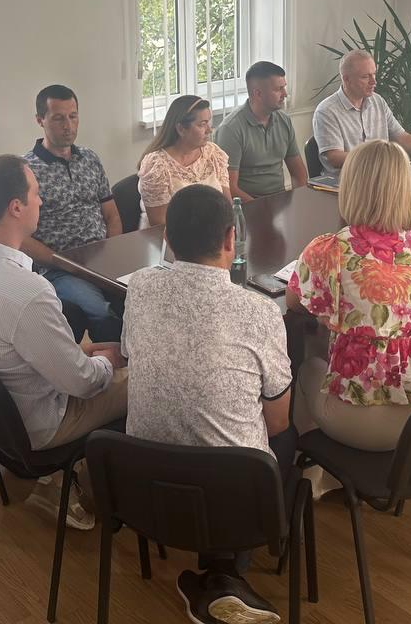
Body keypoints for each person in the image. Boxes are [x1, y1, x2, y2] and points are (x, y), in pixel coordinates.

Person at [123, 184, 293, 624]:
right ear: (231, 238)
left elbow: (129, 354)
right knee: (286, 438)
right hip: (228, 495)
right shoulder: (260, 311)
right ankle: (225, 574)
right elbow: (277, 422)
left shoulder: (139, 287)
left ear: (167, 239)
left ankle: (213, 582)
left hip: (142, 490)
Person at [0, 155, 128, 530]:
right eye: (36, 193)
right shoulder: (29, 292)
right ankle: (107, 487)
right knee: (145, 379)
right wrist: (110, 361)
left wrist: (81, 354)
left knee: (92, 356)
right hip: (39, 425)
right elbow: (83, 384)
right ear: (16, 207)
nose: (41, 201)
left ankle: (61, 480)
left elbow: (5, 347)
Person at [286, 139, 411, 453]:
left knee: (305, 367)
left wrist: (332, 311)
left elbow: (294, 302)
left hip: (359, 417)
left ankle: (310, 470)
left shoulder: (330, 249)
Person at [23, 85, 123, 341]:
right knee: (101, 311)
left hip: (103, 259)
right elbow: (22, 238)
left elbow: (111, 215)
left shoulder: (90, 159)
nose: (68, 125)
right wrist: (61, 262)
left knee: (140, 295)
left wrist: (113, 252)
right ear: (40, 120)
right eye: (58, 118)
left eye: (73, 116)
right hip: (59, 268)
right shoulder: (26, 170)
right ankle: (107, 364)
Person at [311, 49, 411, 172]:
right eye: (365, 77)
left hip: (380, 177)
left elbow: (402, 137)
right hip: (345, 182)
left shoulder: (378, 101)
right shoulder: (326, 111)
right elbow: (334, 158)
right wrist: (378, 159)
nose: (374, 81)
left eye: (374, 74)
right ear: (346, 79)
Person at [214, 61, 308, 200]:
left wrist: (298, 200)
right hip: (248, 205)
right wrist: (262, 208)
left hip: (280, 200)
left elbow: (298, 174)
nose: (285, 94)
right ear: (258, 93)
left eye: (284, 87)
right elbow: (229, 187)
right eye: (278, 89)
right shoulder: (230, 129)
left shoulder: (284, 120)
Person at [138, 95, 231, 227]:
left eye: (208, 123)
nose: (209, 130)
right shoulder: (156, 165)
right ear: (181, 129)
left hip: (213, 232)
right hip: (171, 236)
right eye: (202, 124)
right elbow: (159, 224)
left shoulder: (213, 153)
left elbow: (227, 205)